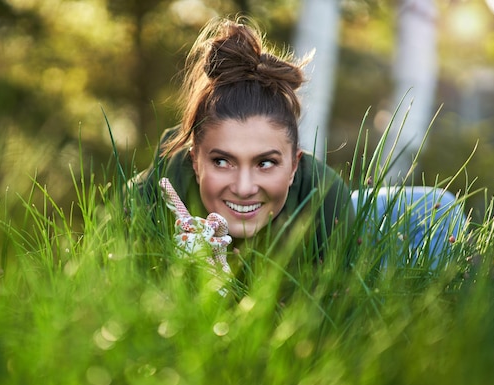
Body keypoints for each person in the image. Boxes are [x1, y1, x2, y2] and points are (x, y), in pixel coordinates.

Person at [129, 16, 354, 293]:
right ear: (195, 160)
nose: (244, 188)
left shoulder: (326, 202)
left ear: (295, 165)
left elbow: (343, 317)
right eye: (222, 162)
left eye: (266, 163)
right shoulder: (151, 198)